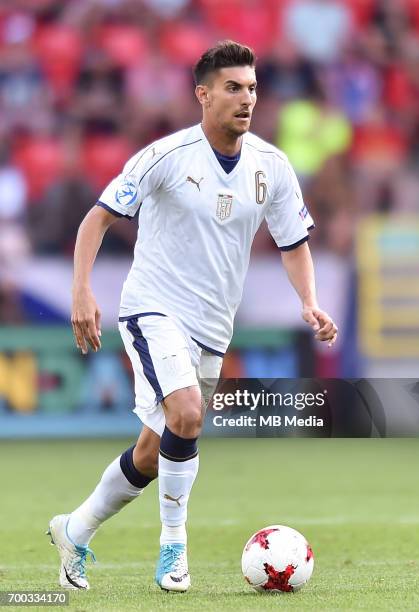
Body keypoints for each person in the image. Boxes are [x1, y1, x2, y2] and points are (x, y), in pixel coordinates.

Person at [47, 41, 337, 593]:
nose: (246, 98)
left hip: (212, 327)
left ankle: (74, 529)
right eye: (233, 87)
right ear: (203, 95)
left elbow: (293, 241)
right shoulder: (165, 158)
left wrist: (308, 301)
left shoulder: (271, 167)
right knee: (186, 414)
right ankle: (174, 551)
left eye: (251, 88)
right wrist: (81, 292)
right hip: (153, 307)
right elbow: (95, 221)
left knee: (155, 452)